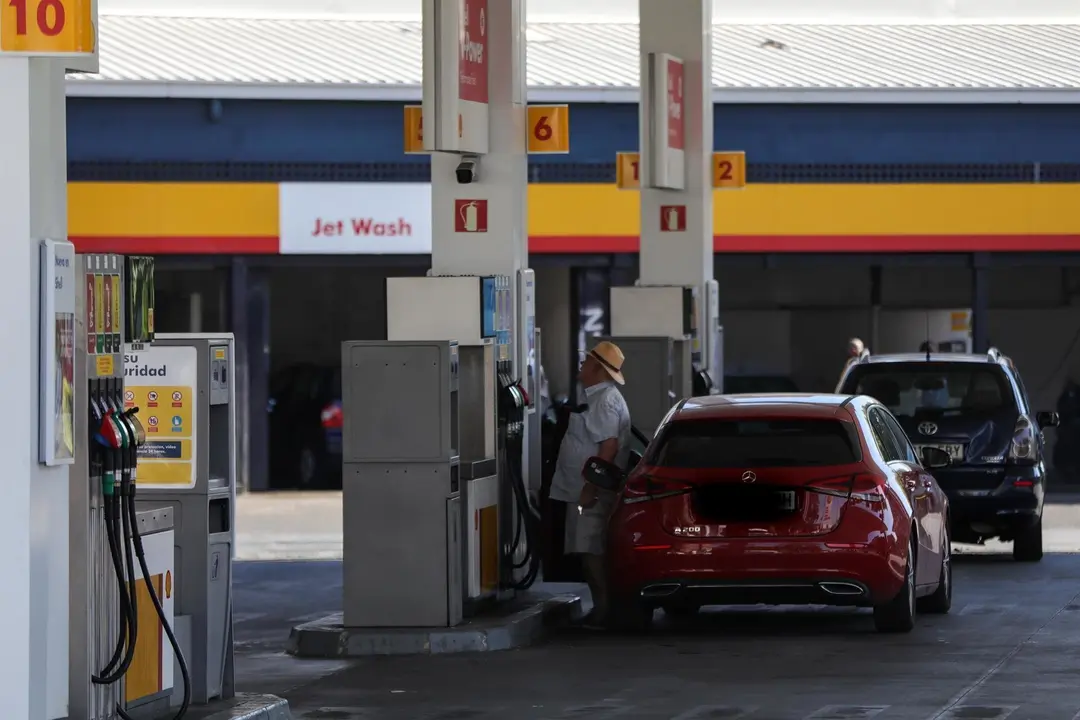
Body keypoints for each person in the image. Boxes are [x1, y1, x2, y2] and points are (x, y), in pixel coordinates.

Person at [548, 341, 631, 630]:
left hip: (592, 493)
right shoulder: (601, 397)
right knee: (588, 550)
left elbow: (608, 448)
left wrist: (590, 489)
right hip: (586, 489)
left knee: (592, 551)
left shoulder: (605, 400)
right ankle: (603, 609)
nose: (581, 366)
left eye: (585, 363)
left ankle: (604, 612)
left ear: (597, 368)